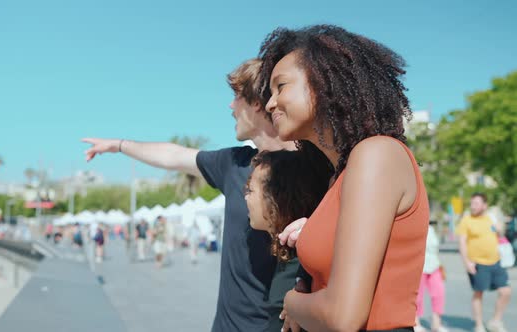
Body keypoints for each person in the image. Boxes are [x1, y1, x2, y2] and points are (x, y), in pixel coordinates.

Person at [82, 58, 305, 331]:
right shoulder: (235, 163)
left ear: (257, 103)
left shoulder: (307, 170)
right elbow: (174, 156)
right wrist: (119, 145)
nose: (231, 106)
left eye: (236, 97)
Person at [258, 24, 429, 331]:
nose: (270, 103)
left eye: (280, 87)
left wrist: (292, 302)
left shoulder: (377, 154)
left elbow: (343, 317)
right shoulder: (342, 176)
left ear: (324, 84)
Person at [244, 148, 330, 331]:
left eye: (250, 190)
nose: (246, 197)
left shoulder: (300, 265)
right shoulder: (293, 258)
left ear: (276, 198)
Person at [457, 193, 511, 332]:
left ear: (484, 205)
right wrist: (467, 262)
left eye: (476, 203)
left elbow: (500, 235)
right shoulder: (466, 220)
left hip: (496, 261)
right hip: (478, 263)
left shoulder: (490, 218)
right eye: (472, 203)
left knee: (506, 291)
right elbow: (462, 243)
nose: (473, 206)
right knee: (478, 293)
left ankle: (496, 321)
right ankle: (479, 325)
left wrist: (500, 229)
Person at [414, 220, 448, 332]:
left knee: (439, 293)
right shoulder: (415, 229)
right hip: (419, 267)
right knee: (418, 296)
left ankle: (436, 324)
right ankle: (415, 322)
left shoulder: (432, 230)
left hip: (435, 265)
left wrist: (441, 265)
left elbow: (435, 250)